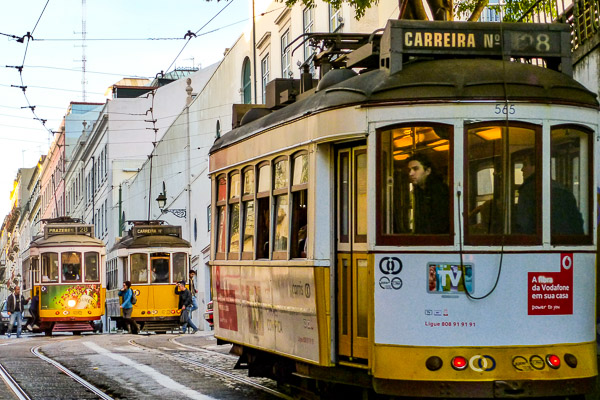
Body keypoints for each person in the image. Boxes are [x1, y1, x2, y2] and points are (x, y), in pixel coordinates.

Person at [514, 151, 583, 235]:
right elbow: (577, 222)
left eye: (525, 164)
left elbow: (523, 224)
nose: (522, 169)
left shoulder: (527, 191)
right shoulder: (562, 188)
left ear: (535, 167)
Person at [407, 154, 450, 234]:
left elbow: (440, 224)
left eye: (415, 169)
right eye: (409, 170)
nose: (411, 173)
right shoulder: (419, 190)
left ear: (428, 171)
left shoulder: (439, 190)